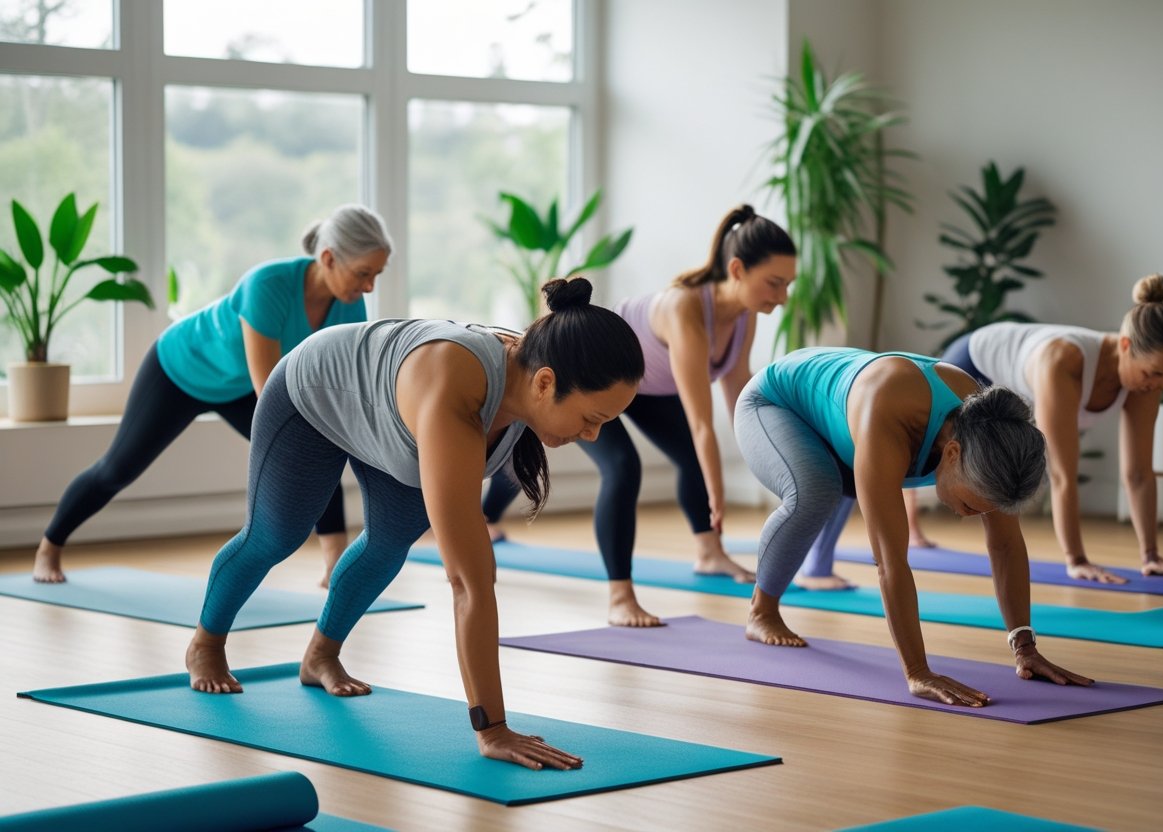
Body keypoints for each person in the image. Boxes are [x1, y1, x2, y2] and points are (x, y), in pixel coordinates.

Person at [185, 278, 644, 771]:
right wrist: (492, 728)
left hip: (394, 422)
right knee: (276, 535)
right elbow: (469, 582)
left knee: (389, 542)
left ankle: (320, 655)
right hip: (316, 393)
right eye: (592, 418)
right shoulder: (455, 390)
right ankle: (205, 644)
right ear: (546, 383)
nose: (594, 436)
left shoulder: (526, 378)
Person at [32, 205, 393, 585]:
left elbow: (345, 375)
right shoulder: (269, 284)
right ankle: (49, 547)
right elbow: (270, 386)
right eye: (363, 273)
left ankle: (335, 566)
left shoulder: (351, 302)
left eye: (376, 276)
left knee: (317, 452)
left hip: (236, 386)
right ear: (328, 258)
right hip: (181, 369)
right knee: (117, 469)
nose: (368, 286)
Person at [483, 205, 796, 626]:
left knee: (689, 457)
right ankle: (619, 596)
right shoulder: (686, 308)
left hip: (651, 387)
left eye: (787, 285)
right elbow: (702, 422)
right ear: (737, 270)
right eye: (774, 283)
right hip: (599, 378)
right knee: (620, 465)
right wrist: (718, 494)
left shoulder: (743, 319)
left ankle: (709, 553)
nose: (782, 297)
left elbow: (741, 400)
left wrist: (773, 455)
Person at [735, 347, 1092, 706]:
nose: (969, 516)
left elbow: (1006, 545)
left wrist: (1025, 647)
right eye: (970, 505)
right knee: (816, 490)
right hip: (773, 406)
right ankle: (761, 611)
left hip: (842, 430)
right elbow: (890, 562)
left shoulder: (993, 440)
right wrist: (918, 671)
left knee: (838, 482)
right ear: (952, 454)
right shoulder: (891, 412)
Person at [941, 274, 1163, 582]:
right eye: (1156, 373)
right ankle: (914, 532)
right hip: (973, 360)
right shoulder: (1064, 363)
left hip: (1008, 359)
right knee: (938, 449)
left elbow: (1139, 473)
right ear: (1127, 345)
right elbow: (1061, 473)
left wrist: (1151, 556)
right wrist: (1076, 560)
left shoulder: (1147, 382)